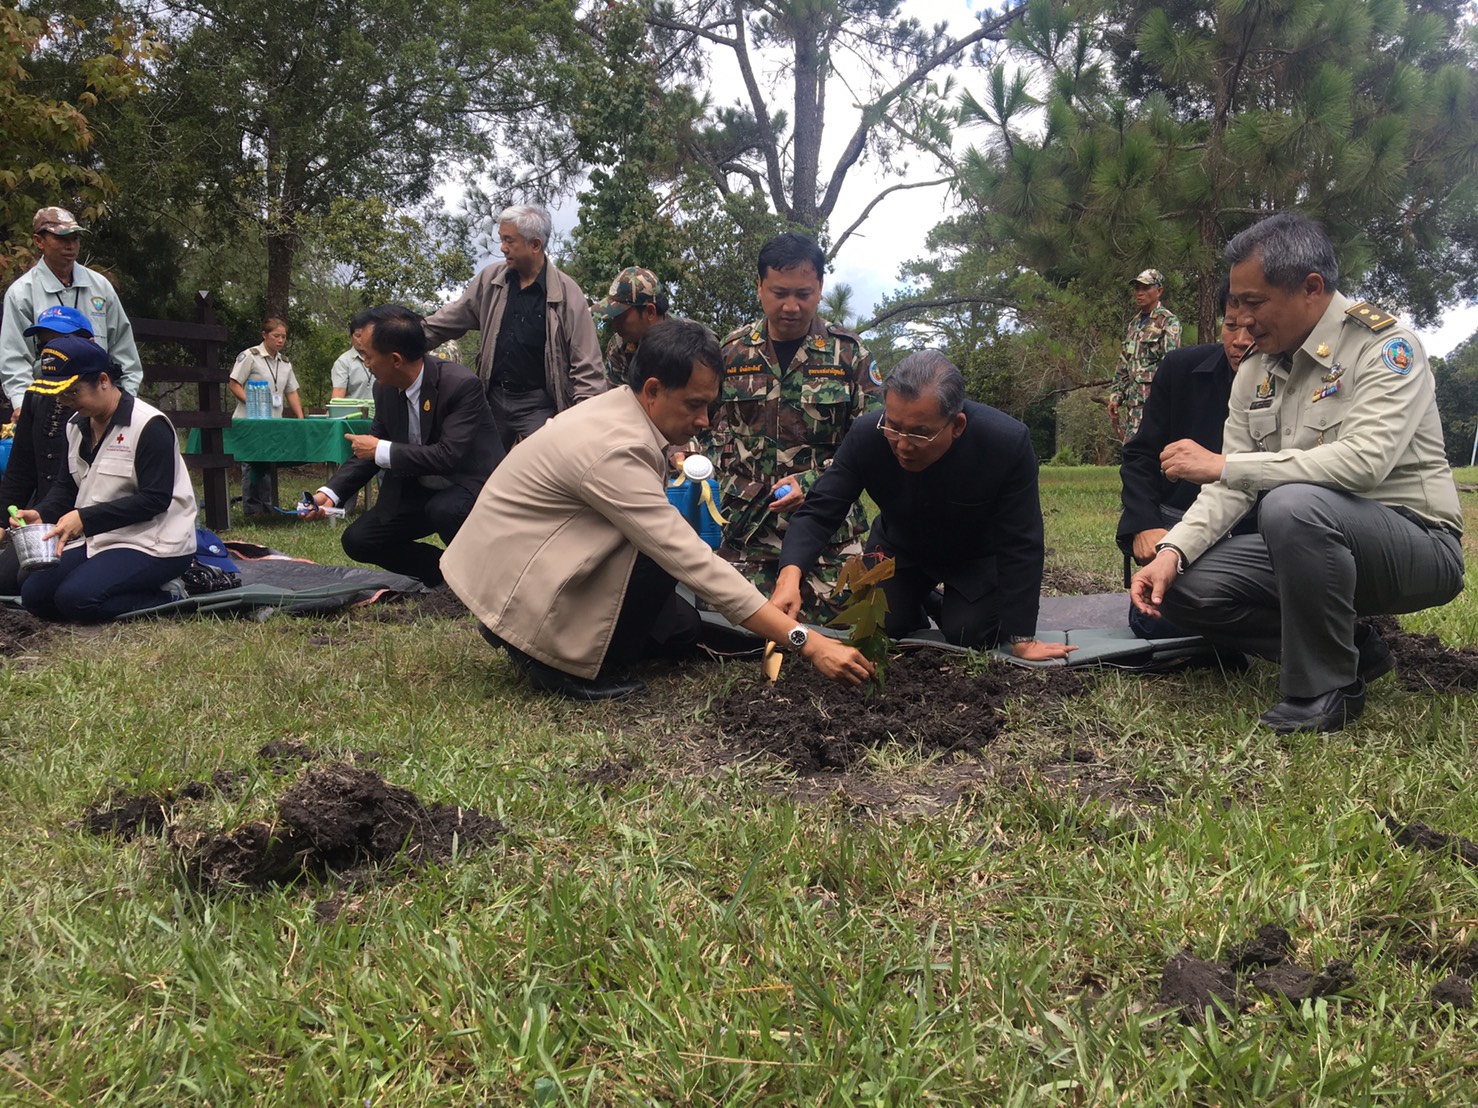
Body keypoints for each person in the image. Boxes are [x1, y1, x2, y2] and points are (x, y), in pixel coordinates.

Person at [1131, 213, 1464, 733]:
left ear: (1311, 288)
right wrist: (1173, 551)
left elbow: (1363, 462)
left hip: (1414, 541)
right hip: (1309, 539)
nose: (1240, 320)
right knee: (1181, 586)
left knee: (1292, 503)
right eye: (1234, 304)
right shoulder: (1259, 368)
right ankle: (1352, 647)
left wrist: (1224, 464)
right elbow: (1230, 488)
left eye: (1254, 302)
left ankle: (1326, 688)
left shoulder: (1384, 347)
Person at [442, 319, 876, 701]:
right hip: (516, 578)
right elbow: (692, 561)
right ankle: (546, 660)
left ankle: (519, 627)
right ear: (653, 389)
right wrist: (809, 643)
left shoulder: (616, 409)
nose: (705, 421)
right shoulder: (617, 449)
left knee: (684, 630)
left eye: (710, 405)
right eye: (693, 405)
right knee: (666, 564)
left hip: (514, 563)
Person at [773, 350, 1076, 660]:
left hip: (976, 555)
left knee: (970, 634)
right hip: (899, 546)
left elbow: (1022, 540)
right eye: (893, 427)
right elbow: (820, 510)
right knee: (881, 625)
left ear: (957, 425)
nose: (902, 445)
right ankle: (918, 600)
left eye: (920, 434)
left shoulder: (1006, 443)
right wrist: (789, 577)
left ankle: (948, 603)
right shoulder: (867, 435)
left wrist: (1022, 637)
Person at [709, 232, 877, 620]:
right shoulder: (731, 353)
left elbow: (872, 443)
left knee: (844, 615)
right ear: (759, 288)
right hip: (748, 527)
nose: (790, 306)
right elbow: (703, 425)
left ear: (820, 288)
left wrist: (819, 482)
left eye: (803, 293)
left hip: (827, 525)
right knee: (730, 617)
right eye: (779, 292)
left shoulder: (849, 355)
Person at [304, 305, 503, 588]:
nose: (367, 364)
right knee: (359, 540)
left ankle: (488, 580)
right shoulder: (384, 388)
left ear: (395, 359)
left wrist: (381, 450)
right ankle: (447, 578)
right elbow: (370, 453)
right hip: (419, 491)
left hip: (469, 487)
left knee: (444, 509)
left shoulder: (460, 385)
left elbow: (448, 455)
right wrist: (330, 494)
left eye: (368, 357)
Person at [15, 336, 196, 621]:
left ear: (103, 380)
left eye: (72, 393)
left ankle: (169, 594)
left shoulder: (149, 425)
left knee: (77, 600)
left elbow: (155, 500)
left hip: (156, 542)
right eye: (60, 396)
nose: (65, 403)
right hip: (101, 538)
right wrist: (41, 513)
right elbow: (68, 485)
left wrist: (84, 519)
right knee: (34, 594)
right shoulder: (75, 426)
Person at [1117, 282, 1256, 637]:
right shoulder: (1180, 369)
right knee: (1151, 620)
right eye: (1230, 326)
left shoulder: (1291, 383)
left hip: (1255, 531)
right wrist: (1143, 524)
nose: (1240, 340)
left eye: (1253, 329)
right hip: (1179, 522)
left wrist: (1218, 465)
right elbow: (1140, 454)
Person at [423, 203, 605, 450]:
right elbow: (452, 317)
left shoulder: (567, 293)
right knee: (482, 471)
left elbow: (588, 367)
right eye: (501, 239)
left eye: (509, 240)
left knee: (542, 473)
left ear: (535, 245)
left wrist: (583, 423)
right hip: (493, 399)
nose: (503, 247)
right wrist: (409, 335)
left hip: (539, 405)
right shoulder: (491, 279)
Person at [0, 207, 143, 415]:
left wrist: (125, 401)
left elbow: (123, 349)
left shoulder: (100, 286)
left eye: (75, 238)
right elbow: (15, 358)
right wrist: (24, 405)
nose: (71, 246)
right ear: (39, 241)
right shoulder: (22, 293)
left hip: (100, 404)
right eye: (62, 238)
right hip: (48, 404)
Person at [0, 308, 99, 594]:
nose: (53, 351)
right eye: (45, 345)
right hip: (41, 513)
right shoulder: (35, 396)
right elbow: (21, 467)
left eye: (63, 341)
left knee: (29, 581)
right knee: (6, 580)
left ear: (89, 343)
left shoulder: (101, 399)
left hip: (84, 514)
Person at [1109, 268, 1182, 442]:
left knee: (1152, 457)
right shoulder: (1134, 324)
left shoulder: (1168, 322)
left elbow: (1170, 366)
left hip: (1154, 406)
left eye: (1145, 288)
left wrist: (1163, 403)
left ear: (1159, 291)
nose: (1139, 293)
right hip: (1133, 406)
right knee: (1132, 457)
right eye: (1137, 288)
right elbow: (1124, 363)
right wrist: (1116, 397)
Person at [592, 266, 669, 387]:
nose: (615, 324)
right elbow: (618, 399)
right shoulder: (618, 346)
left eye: (621, 315)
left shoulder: (694, 343)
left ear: (650, 312)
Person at [329, 310, 374, 401]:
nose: (361, 339)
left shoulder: (382, 358)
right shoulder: (343, 362)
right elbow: (338, 394)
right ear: (351, 336)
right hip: (353, 414)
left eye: (365, 335)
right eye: (358, 335)